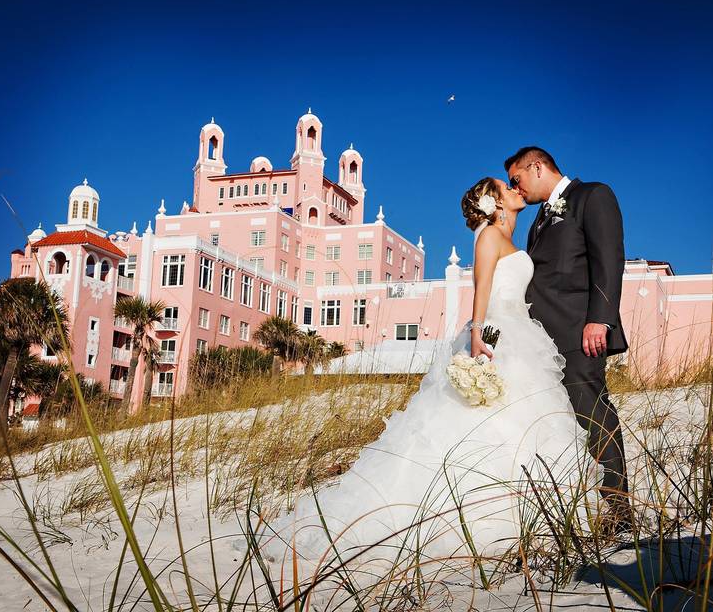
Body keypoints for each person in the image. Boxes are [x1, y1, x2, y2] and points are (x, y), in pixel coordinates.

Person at [245, 177, 603, 586]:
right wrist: (479, 338)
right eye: (508, 186)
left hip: (522, 334)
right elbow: (481, 290)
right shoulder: (489, 236)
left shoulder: (508, 235)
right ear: (494, 201)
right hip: (499, 334)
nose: (516, 188)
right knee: (489, 420)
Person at [505, 146, 631, 530]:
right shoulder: (538, 220)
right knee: (564, 423)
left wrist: (600, 320)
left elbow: (609, 259)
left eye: (517, 179)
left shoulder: (592, 196)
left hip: (580, 332)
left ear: (538, 167)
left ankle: (618, 509)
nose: (516, 188)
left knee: (592, 413)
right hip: (543, 343)